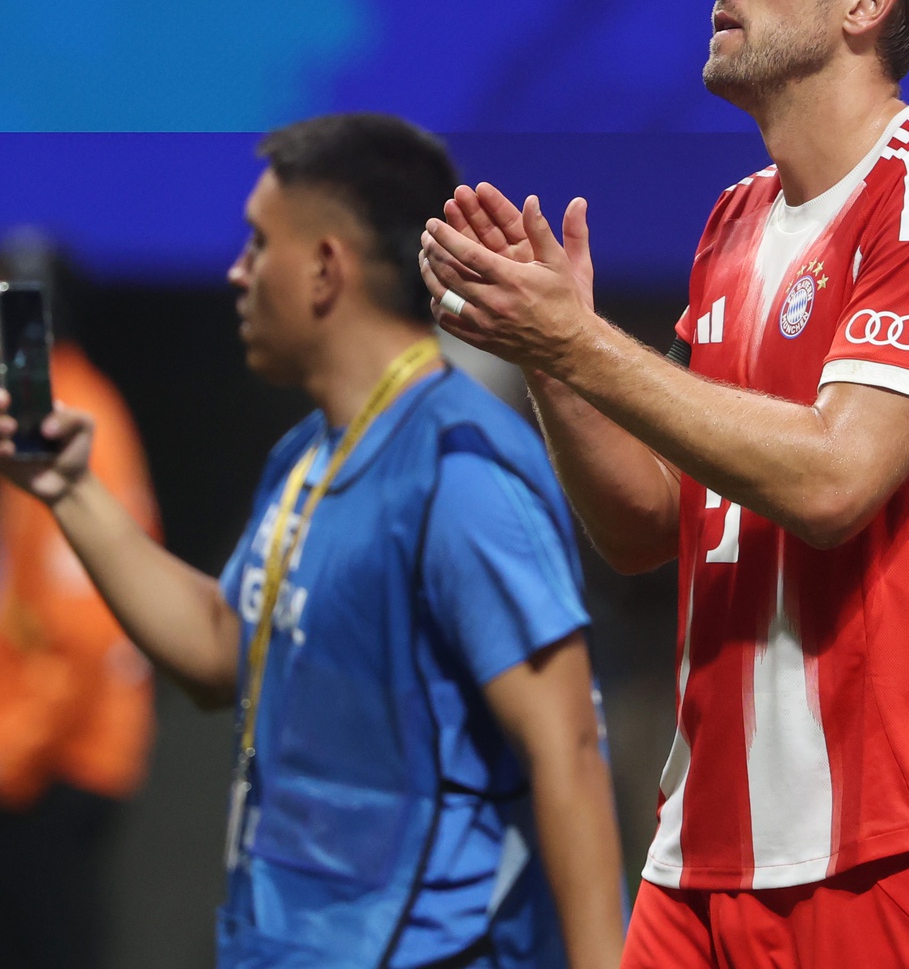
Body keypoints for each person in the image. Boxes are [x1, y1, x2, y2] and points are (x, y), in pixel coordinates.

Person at [417, 0, 909, 968]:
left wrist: (581, 340)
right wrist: (555, 358)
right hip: (702, 846)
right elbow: (649, 526)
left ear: (866, 1)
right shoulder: (734, 222)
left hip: (890, 846)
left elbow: (832, 476)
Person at [0, 114, 626, 969]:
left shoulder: (460, 469)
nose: (236, 270)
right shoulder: (305, 458)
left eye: (258, 244)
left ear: (326, 268)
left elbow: (569, 751)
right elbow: (224, 648)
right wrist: (71, 488)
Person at [0, 242, 159, 969]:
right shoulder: (45, 403)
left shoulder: (63, 412)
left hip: (59, 759)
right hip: (42, 749)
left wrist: (11, 755)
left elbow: (78, 626)